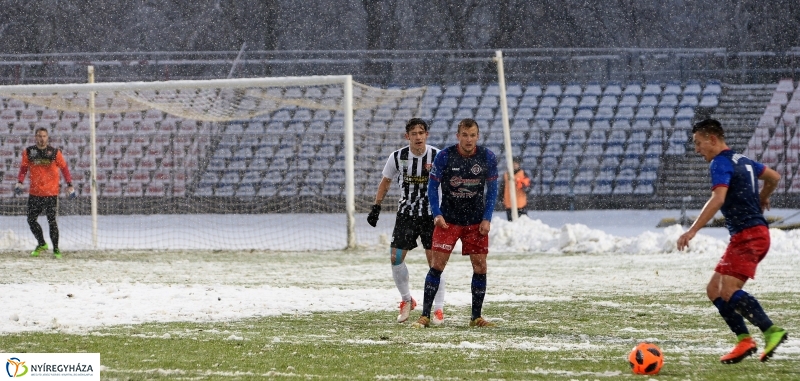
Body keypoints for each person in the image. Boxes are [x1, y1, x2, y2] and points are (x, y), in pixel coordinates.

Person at [677, 119, 787, 364]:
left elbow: (717, 199)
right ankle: (744, 340)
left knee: (728, 291)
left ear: (712, 139)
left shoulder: (719, 162)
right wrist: (762, 197)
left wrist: (692, 231)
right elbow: (774, 177)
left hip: (748, 235)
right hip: (751, 234)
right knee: (714, 290)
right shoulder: (743, 160)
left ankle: (771, 331)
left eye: (698, 143)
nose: (697, 149)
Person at [412, 118, 498, 328]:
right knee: (437, 266)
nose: (469, 140)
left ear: (478, 136)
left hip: (475, 222)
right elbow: (432, 188)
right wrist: (437, 213)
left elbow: (493, 190)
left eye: (473, 135)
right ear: (458, 136)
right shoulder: (445, 156)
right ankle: (425, 315)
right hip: (448, 222)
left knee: (480, 267)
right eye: (465, 135)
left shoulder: (487, 157)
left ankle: (476, 317)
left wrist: (487, 217)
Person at [367, 118, 447, 324]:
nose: (418, 137)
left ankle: (438, 308)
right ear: (407, 136)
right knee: (395, 257)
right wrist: (376, 206)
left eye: (421, 133)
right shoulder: (397, 157)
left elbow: (448, 184)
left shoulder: (437, 156)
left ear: (426, 135)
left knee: (435, 262)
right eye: (414, 133)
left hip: (431, 215)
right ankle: (407, 299)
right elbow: (385, 181)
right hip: (406, 214)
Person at [15, 127, 75, 259]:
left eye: (44, 136)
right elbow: (23, 169)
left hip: (50, 193)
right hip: (35, 193)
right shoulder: (29, 152)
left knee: (52, 221)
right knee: (31, 220)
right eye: (39, 136)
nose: (41, 138)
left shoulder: (54, 152)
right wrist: (19, 181)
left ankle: (56, 249)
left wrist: (69, 184)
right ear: (35, 137)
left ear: (47, 137)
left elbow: (64, 169)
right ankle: (42, 243)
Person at [502, 157, 531, 221]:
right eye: (513, 164)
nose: (514, 165)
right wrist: (501, 198)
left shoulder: (523, 174)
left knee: (522, 222)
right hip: (509, 203)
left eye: (516, 164)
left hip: (521, 204)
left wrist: (522, 185)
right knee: (511, 222)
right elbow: (502, 188)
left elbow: (528, 187)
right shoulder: (506, 175)